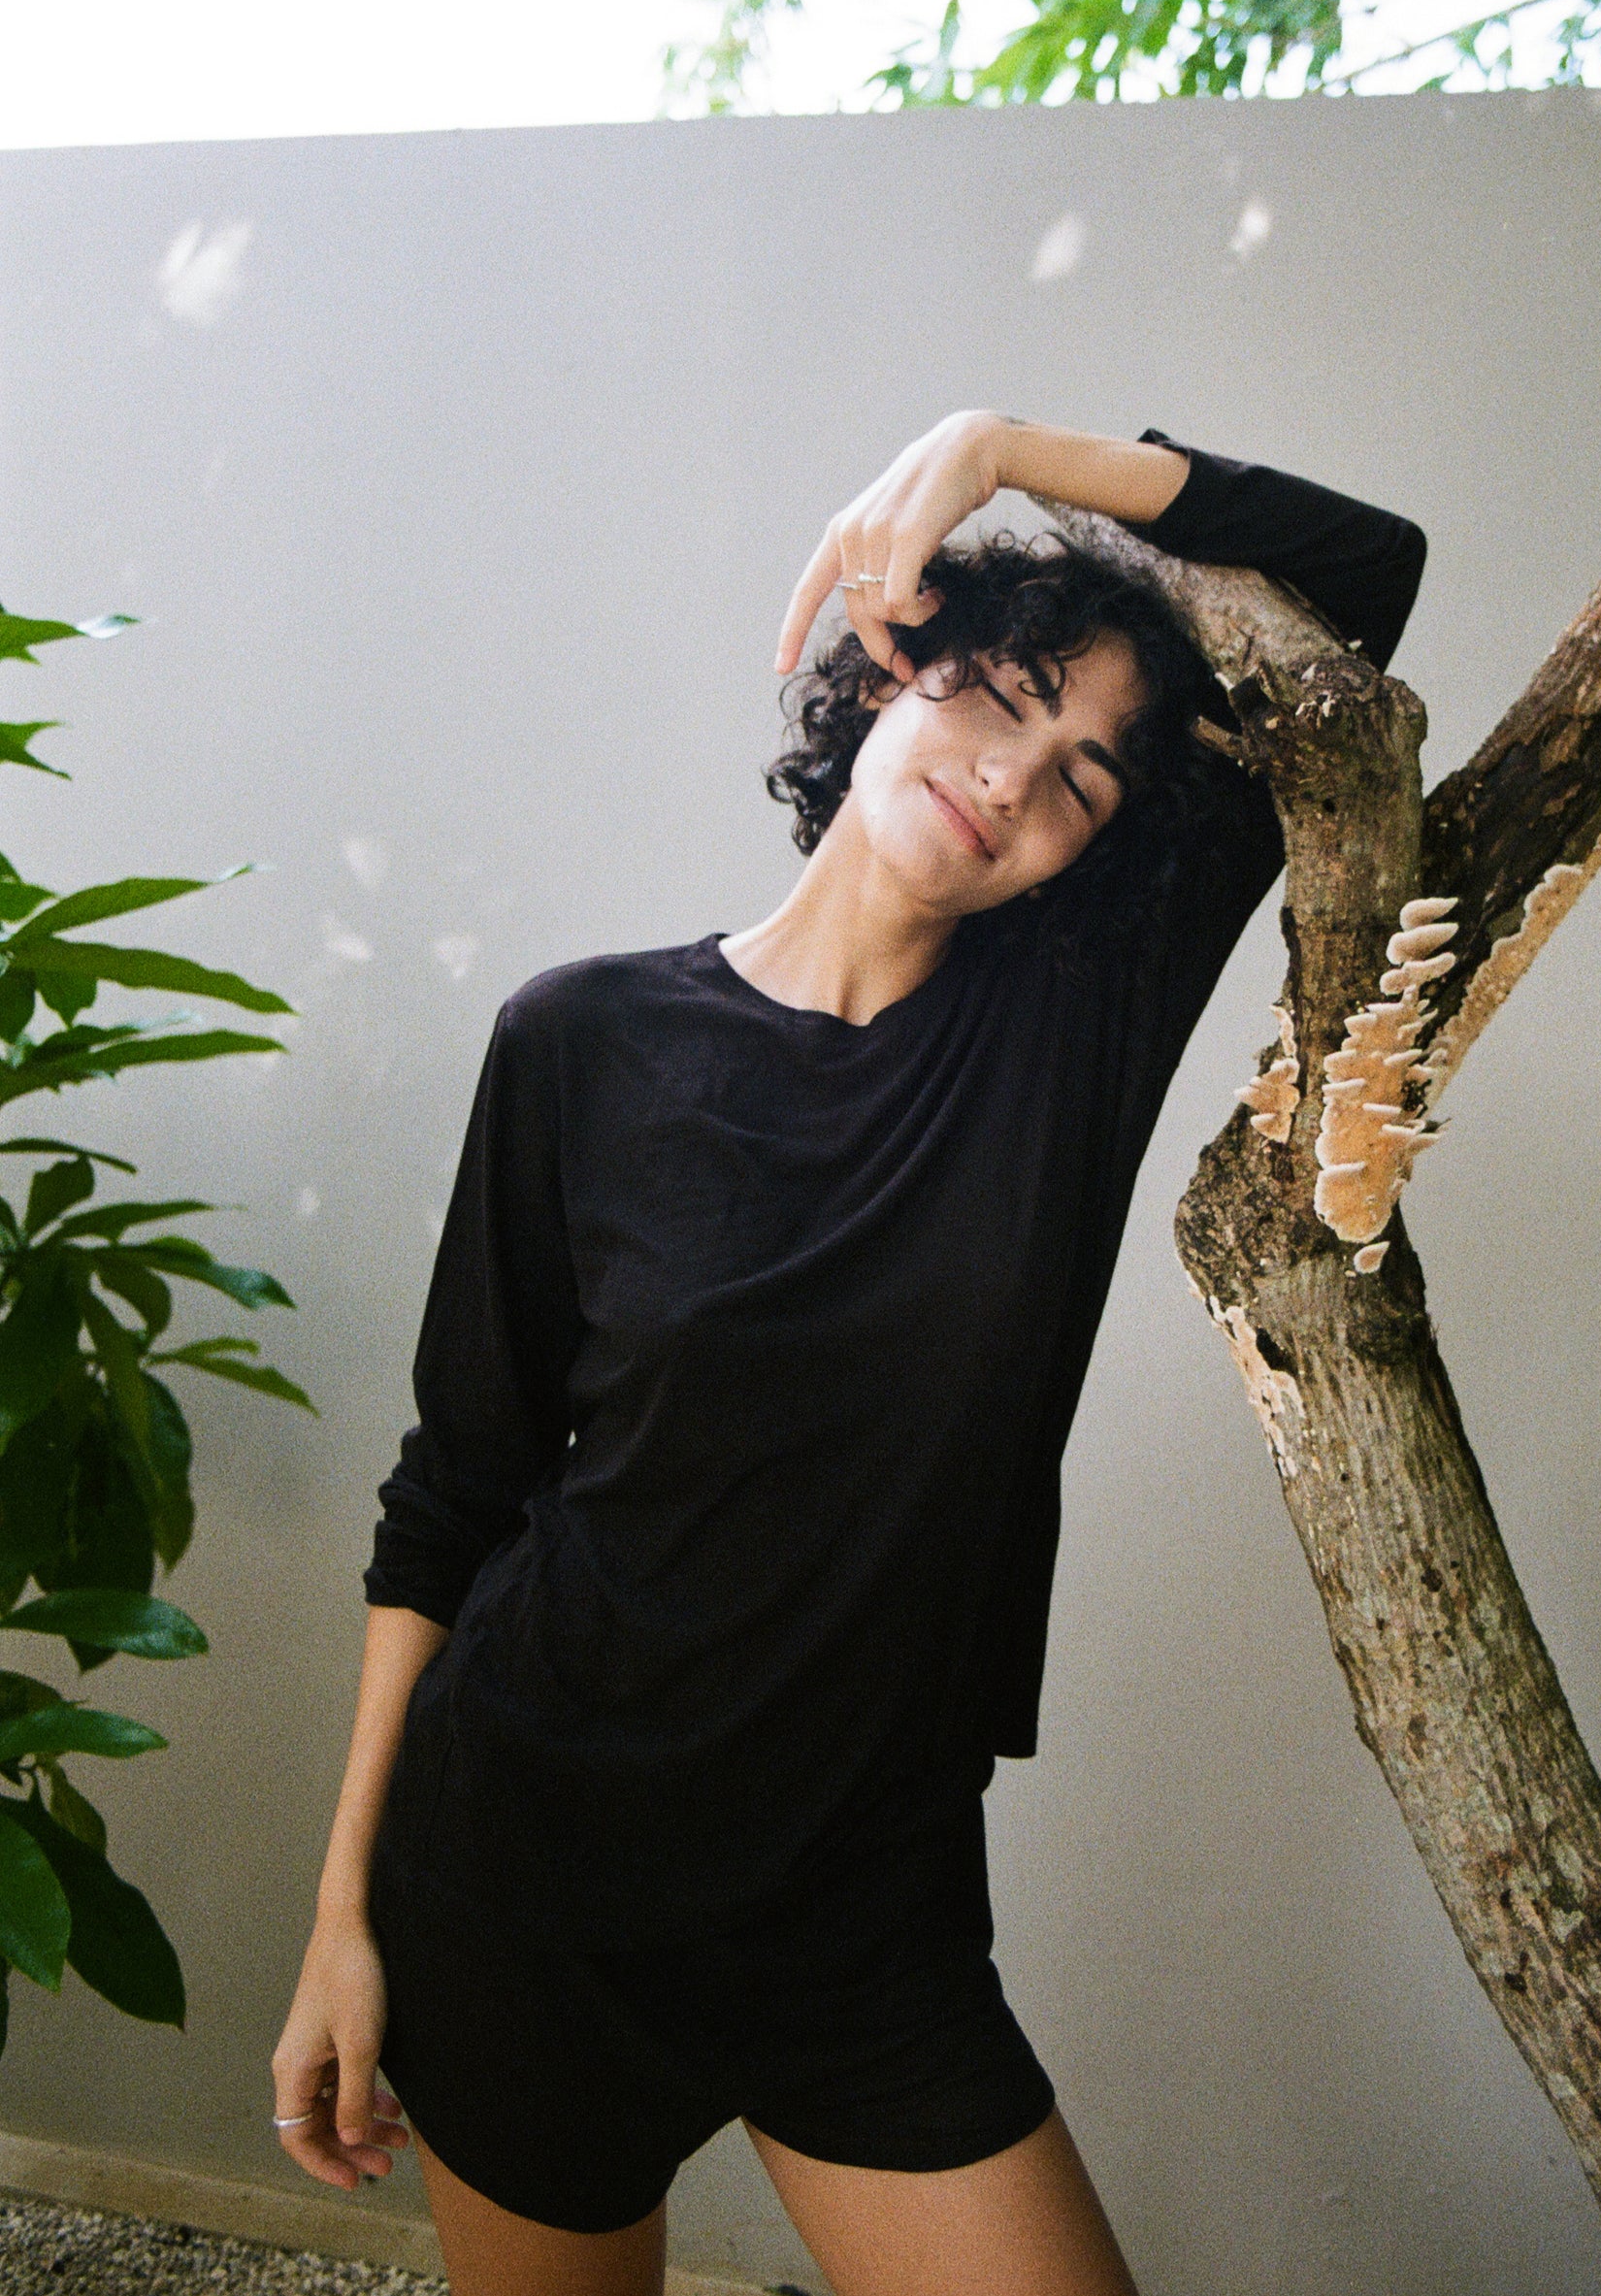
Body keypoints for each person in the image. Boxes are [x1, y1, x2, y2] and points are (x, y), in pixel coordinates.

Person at [271, 410, 1425, 2296]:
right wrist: (343, 1916)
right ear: (892, 667)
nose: (1016, 776)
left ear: (1087, 852)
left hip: (859, 1910)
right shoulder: (580, 1042)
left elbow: (1366, 576)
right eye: (1001, 694)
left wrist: (994, 442)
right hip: (530, 1875)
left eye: (1080, 779)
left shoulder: (1072, 1018)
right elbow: (454, 1495)